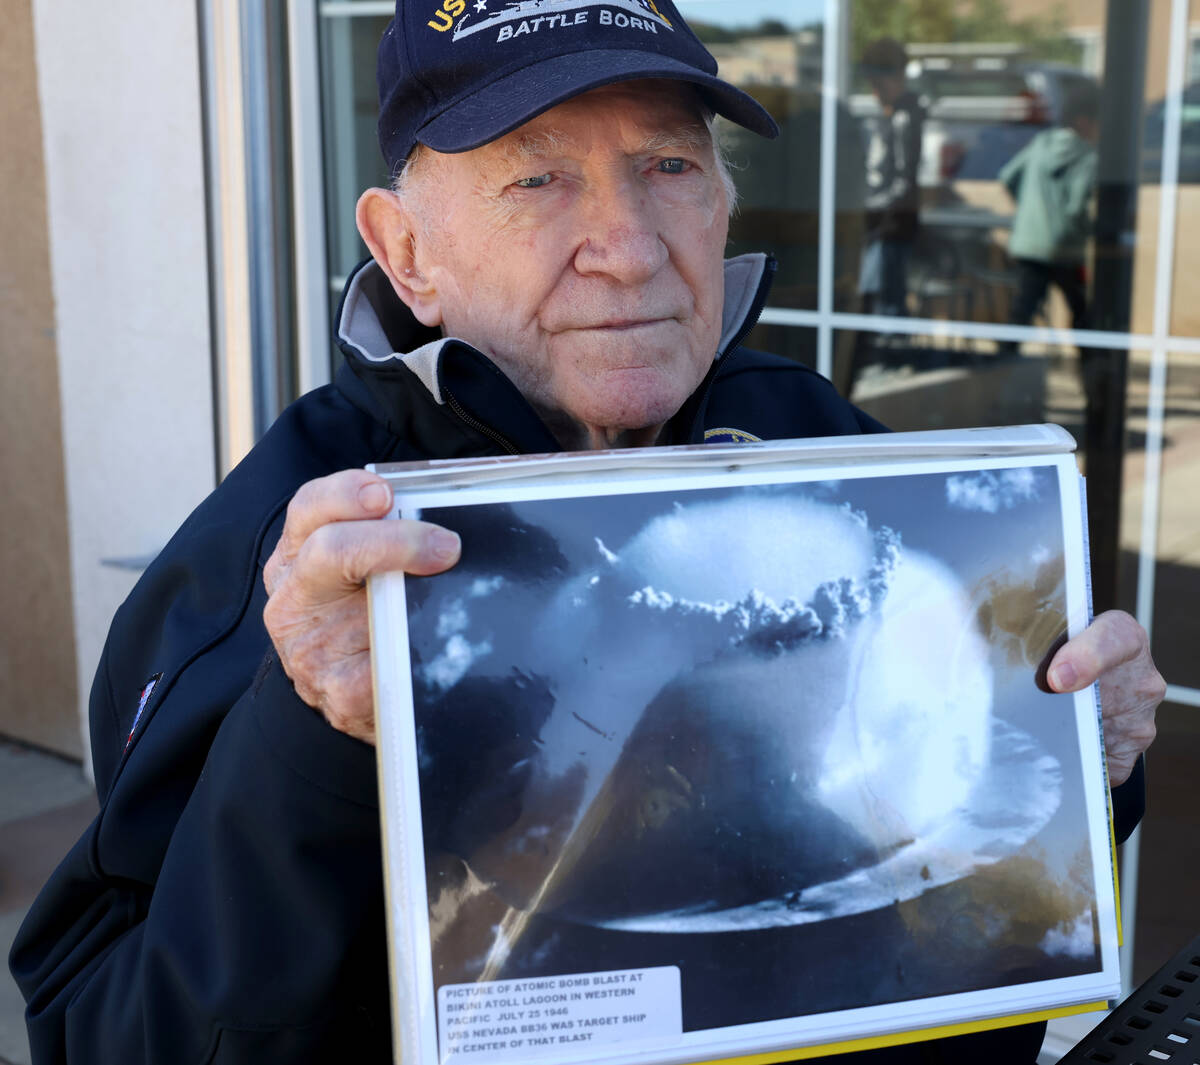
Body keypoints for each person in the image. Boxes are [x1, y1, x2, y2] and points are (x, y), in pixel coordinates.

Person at [11, 1, 1163, 1062]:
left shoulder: (828, 449)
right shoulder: (292, 560)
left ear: (721, 206)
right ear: (407, 251)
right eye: (537, 180)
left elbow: (969, 906)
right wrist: (315, 742)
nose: (628, 244)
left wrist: (1083, 757)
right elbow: (106, 1031)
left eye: (667, 166)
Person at [998, 82, 1100, 354]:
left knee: (1020, 314)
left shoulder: (1041, 143)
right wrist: (1092, 230)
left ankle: (996, 379)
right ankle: (1097, 389)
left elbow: (1007, 176)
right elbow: (1076, 208)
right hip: (1064, 249)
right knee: (1082, 318)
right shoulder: (1087, 157)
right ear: (1084, 121)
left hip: (1029, 244)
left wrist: (1031, 209)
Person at [858, 37, 924, 323]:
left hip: (890, 221)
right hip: (883, 217)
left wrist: (874, 210)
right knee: (880, 288)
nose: (875, 92)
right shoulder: (892, 114)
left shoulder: (905, 116)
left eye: (879, 84)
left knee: (887, 289)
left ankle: (890, 346)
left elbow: (903, 178)